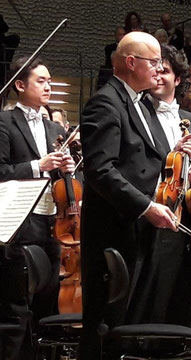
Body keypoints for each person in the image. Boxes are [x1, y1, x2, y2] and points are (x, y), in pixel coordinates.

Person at [79, 32, 177, 358]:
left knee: (137, 325)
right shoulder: (105, 102)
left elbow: (153, 162)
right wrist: (146, 206)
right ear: (131, 63)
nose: (160, 70)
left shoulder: (146, 105)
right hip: (115, 232)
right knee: (109, 325)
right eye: (155, 62)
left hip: (143, 233)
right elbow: (100, 171)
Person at [0, 57, 75, 360]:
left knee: (48, 301)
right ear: (20, 85)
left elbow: (64, 179)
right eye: (41, 80)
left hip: (53, 224)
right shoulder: (4, 122)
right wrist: (37, 165)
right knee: (16, 306)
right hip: (19, 223)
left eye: (49, 80)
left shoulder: (54, 127)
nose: (48, 86)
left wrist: (69, 168)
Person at [132, 44, 191, 328]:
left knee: (180, 296)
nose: (158, 77)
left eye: (165, 71)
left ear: (178, 79)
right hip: (150, 215)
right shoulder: (137, 114)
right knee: (147, 298)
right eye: (155, 70)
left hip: (185, 218)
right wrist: (172, 156)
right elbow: (135, 164)